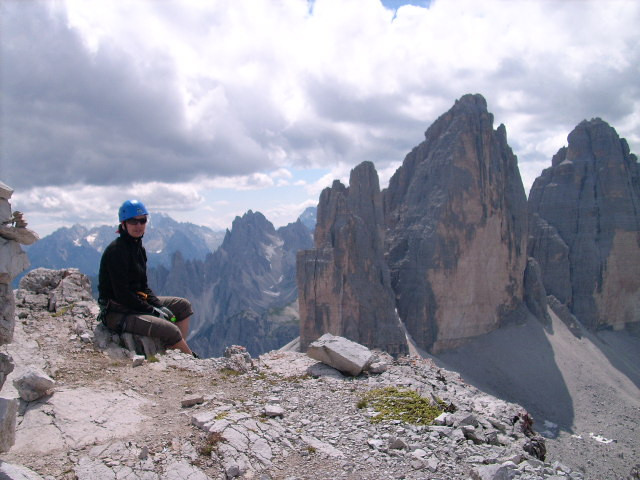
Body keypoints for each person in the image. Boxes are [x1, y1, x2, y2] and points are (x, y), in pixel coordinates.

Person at [98, 199, 197, 357]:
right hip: (117, 312)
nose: (138, 226)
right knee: (170, 329)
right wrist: (152, 310)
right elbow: (121, 294)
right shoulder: (116, 251)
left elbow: (143, 287)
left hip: (136, 303)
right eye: (133, 221)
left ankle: (176, 353)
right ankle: (190, 360)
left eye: (142, 221)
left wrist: (158, 305)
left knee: (183, 306)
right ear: (123, 224)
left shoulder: (138, 249)